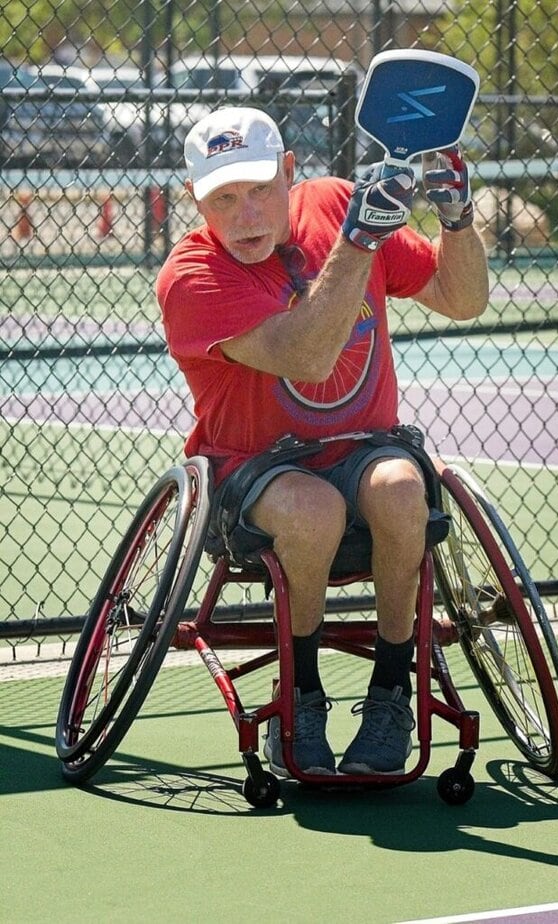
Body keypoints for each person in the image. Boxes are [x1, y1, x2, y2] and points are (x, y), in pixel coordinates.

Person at [156, 105, 488, 778]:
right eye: (223, 198)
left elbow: (462, 300)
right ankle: (299, 696)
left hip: (364, 448)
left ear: (288, 173)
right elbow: (306, 357)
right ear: (195, 199)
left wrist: (455, 219)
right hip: (252, 473)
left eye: (258, 190)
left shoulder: (335, 203)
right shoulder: (190, 277)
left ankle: (393, 691)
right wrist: (360, 241)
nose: (245, 214)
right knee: (313, 509)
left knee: (401, 489)